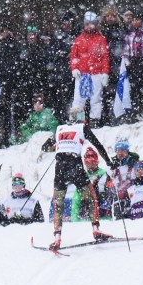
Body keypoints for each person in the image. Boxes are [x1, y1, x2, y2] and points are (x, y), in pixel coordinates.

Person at [41, 105, 114, 250]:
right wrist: (109, 162)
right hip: (75, 165)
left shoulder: (59, 129)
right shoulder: (82, 128)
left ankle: (57, 238)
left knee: (58, 203)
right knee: (91, 196)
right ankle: (96, 230)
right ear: (81, 119)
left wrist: (60, 146)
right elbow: (98, 145)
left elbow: (44, 147)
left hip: (60, 167)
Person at [69, 11, 110, 124]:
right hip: (82, 74)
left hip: (96, 73)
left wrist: (105, 73)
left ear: (96, 24)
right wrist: (74, 68)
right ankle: (78, 120)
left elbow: (105, 57)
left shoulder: (101, 39)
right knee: (78, 98)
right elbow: (74, 56)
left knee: (95, 98)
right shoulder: (78, 39)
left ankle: (94, 120)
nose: (89, 26)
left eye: (91, 23)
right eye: (87, 24)